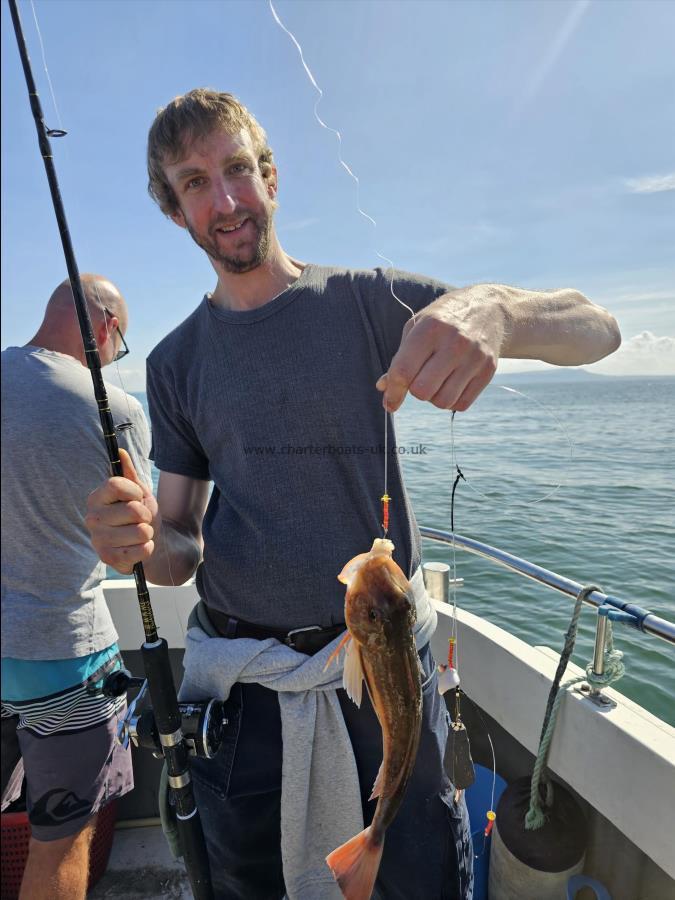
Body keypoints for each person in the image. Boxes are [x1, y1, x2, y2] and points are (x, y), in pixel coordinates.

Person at [86, 89, 621, 900]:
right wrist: (140, 544)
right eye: (194, 182)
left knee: (420, 878)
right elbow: (181, 543)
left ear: (269, 176)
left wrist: (497, 310)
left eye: (237, 169)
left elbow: (598, 327)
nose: (224, 199)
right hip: (248, 691)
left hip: (387, 680)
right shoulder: (174, 363)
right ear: (174, 210)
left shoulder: (371, 301)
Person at [1, 275, 151, 900]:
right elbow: (141, 552)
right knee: (58, 845)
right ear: (108, 328)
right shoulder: (115, 411)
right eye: (122, 345)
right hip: (64, 657)